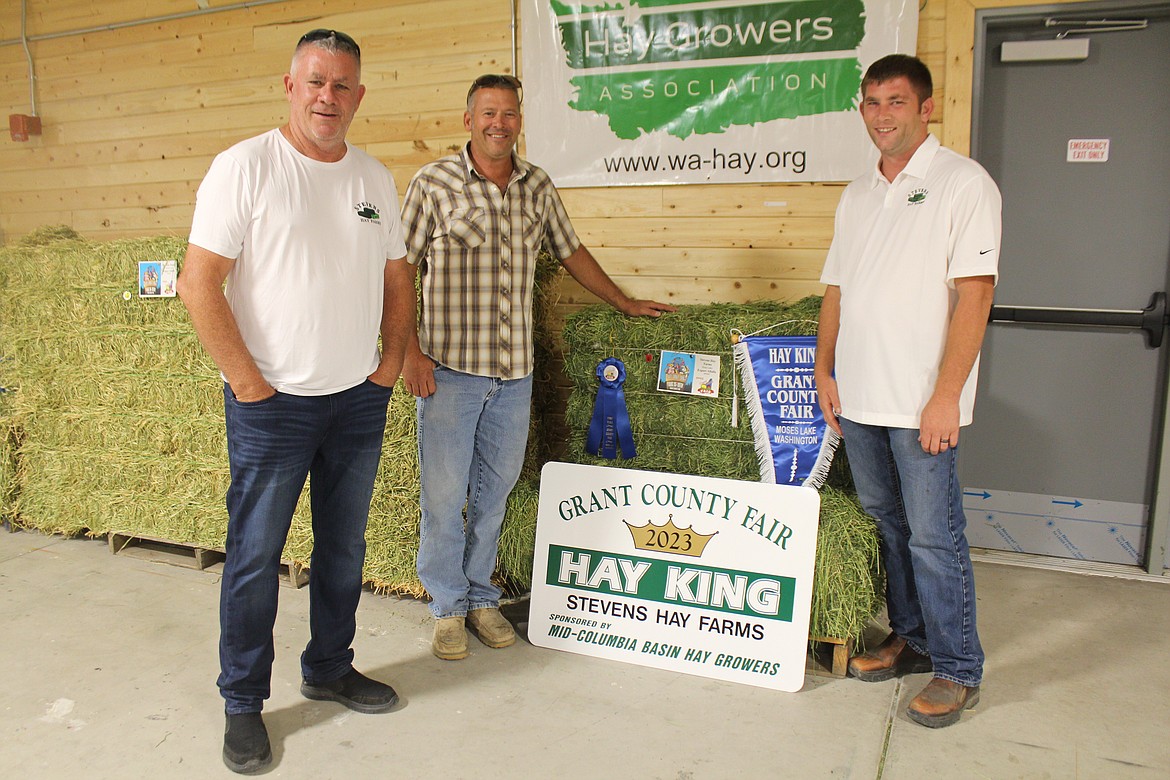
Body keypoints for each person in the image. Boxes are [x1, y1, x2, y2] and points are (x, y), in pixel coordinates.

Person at [177, 29, 414, 773]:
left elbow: (397, 278)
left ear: (359, 96)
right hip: (272, 404)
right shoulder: (244, 167)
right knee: (254, 558)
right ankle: (243, 704)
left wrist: (388, 367)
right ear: (290, 85)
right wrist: (249, 383)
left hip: (355, 399)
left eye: (342, 86)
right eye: (316, 82)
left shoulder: (374, 178)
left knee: (344, 549)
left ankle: (329, 667)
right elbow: (198, 282)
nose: (328, 98)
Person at [399, 74, 676, 661]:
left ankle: (481, 597)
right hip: (449, 370)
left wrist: (622, 301)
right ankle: (447, 606)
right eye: (488, 112)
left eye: (509, 113)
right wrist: (406, 352)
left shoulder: (537, 185)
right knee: (445, 495)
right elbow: (398, 268)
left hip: (514, 373)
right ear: (468, 119)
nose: (499, 122)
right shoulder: (434, 183)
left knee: (495, 492)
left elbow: (569, 250)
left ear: (519, 120)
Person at [814, 54, 1000, 728]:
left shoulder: (963, 184)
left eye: (895, 101)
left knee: (933, 536)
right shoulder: (858, 192)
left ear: (926, 108)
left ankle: (957, 667)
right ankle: (913, 640)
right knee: (890, 527)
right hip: (859, 397)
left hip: (922, 401)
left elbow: (976, 295)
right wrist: (823, 369)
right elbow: (837, 287)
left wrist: (947, 396)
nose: (881, 115)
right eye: (871, 102)